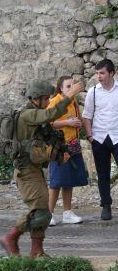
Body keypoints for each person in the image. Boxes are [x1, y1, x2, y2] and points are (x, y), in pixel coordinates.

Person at [0, 78, 83, 257]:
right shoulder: (27, 115)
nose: (47, 103)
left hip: (34, 169)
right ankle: (11, 237)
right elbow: (50, 115)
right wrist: (68, 97)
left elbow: (45, 140)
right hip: (25, 171)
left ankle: (37, 250)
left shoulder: (36, 113)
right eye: (45, 99)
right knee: (40, 210)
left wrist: (59, 152)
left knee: (42, 209)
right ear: (35, 98)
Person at [47, 76, 88, 225]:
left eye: (73, 85)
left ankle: (67, 212)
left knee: (69, 180)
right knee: (56, 181)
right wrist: (68, 122)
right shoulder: (55, 101)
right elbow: (48, 122)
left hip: (73, 145)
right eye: (68, 86)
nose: (72, 88)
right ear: (61, 88)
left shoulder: (73, 101)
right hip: (59, 146)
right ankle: (49, 214)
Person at [84, 58, 118, 220]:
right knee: (103, 174)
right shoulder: (94, 92)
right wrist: (90, 136)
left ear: (112, 73)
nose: (99, 76)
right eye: (97, 73)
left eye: (102, 73)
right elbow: (87, 116)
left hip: (117, 137)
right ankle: (106, 205)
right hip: (99, 138)